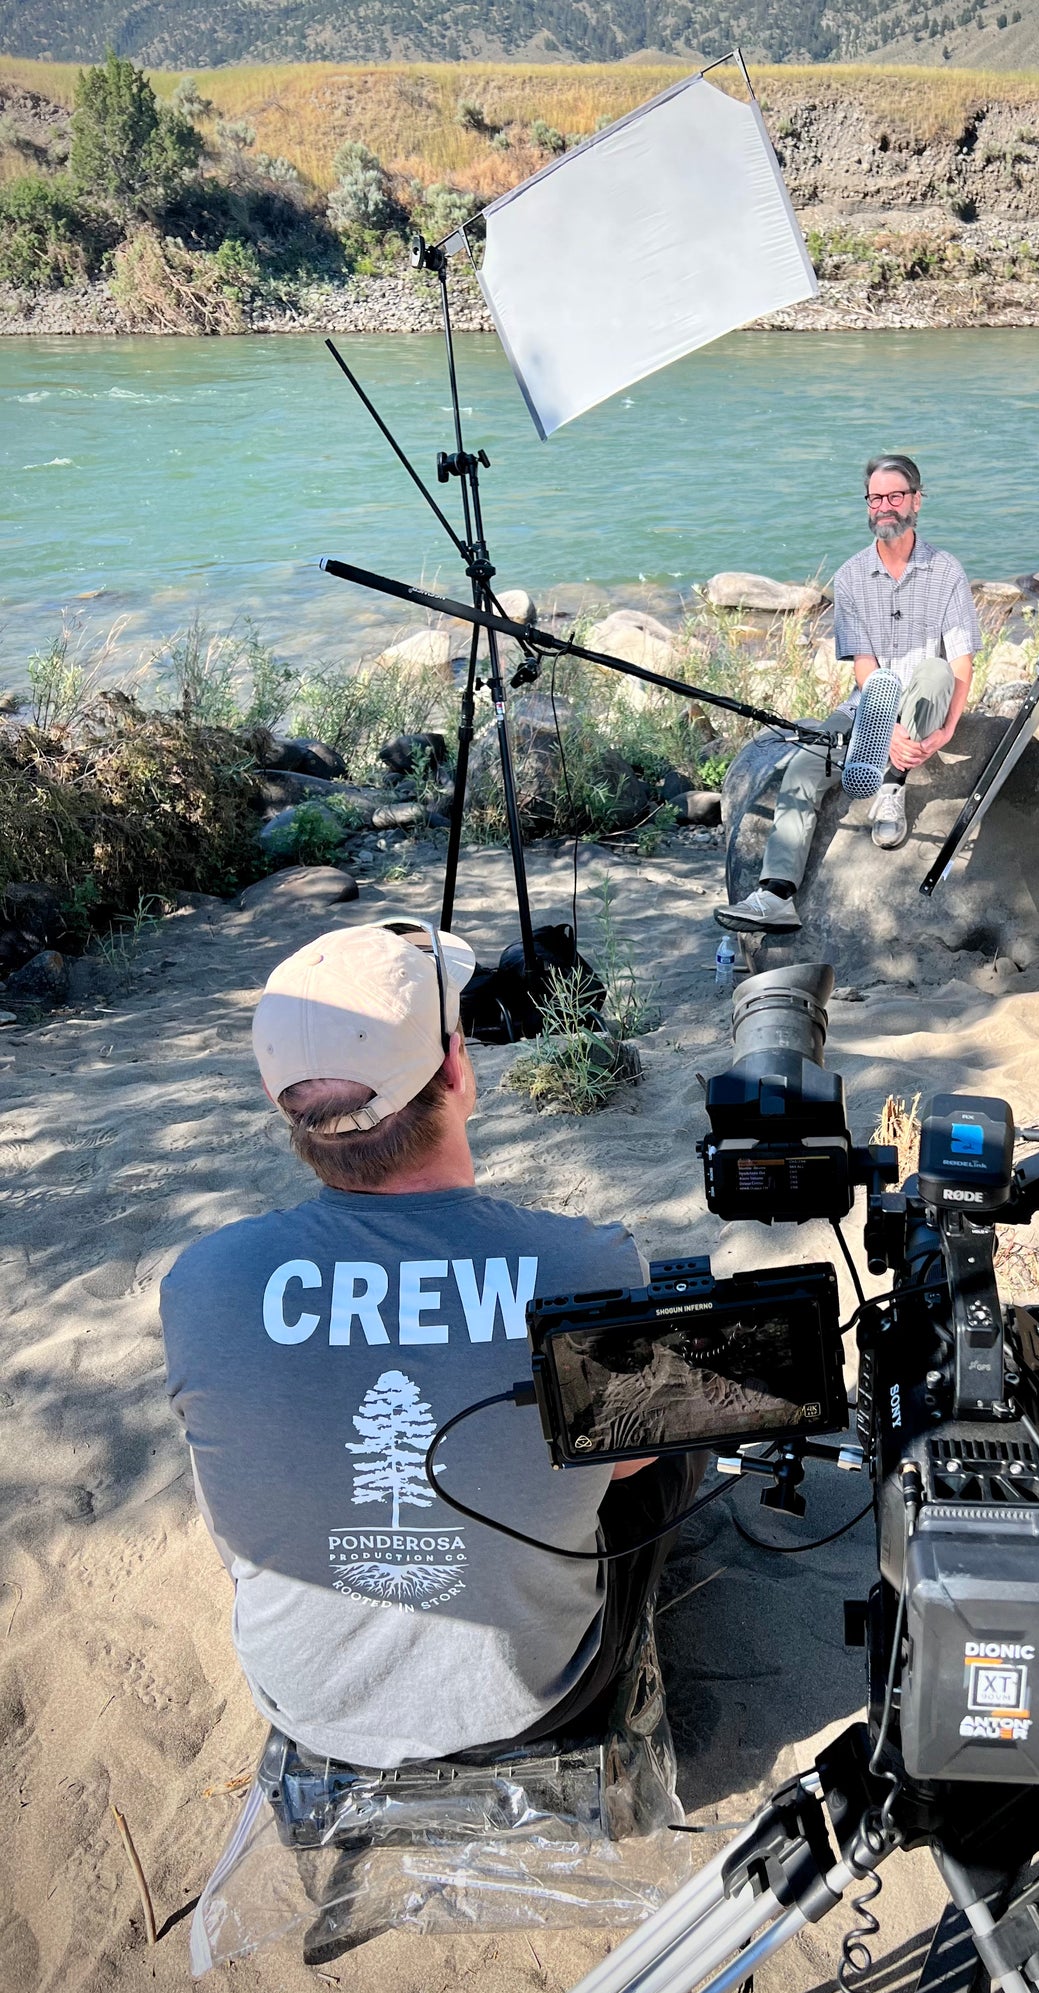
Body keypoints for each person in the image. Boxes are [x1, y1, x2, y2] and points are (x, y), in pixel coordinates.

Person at [159, 918, 699, 1770]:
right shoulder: (582, 1260)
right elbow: (627, 1468)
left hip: (307, 1705)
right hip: (536, 1701)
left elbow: (233, 1517)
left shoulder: (204, 1280)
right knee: (663, 1442)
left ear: (287, 1108)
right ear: (456, 1066)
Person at [716, 453, 981, 934]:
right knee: (803, 764)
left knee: (937, 670)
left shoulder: (947, 572)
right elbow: (863, 665)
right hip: (871, 705)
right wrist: (886, 729)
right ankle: (776, 893)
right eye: (876, 498)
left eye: (895, 496)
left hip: (927, 696)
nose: (885, 506)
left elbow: (962, 663)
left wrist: (944, 731)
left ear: (917, 501)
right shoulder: (852, 576)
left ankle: (892, 783)